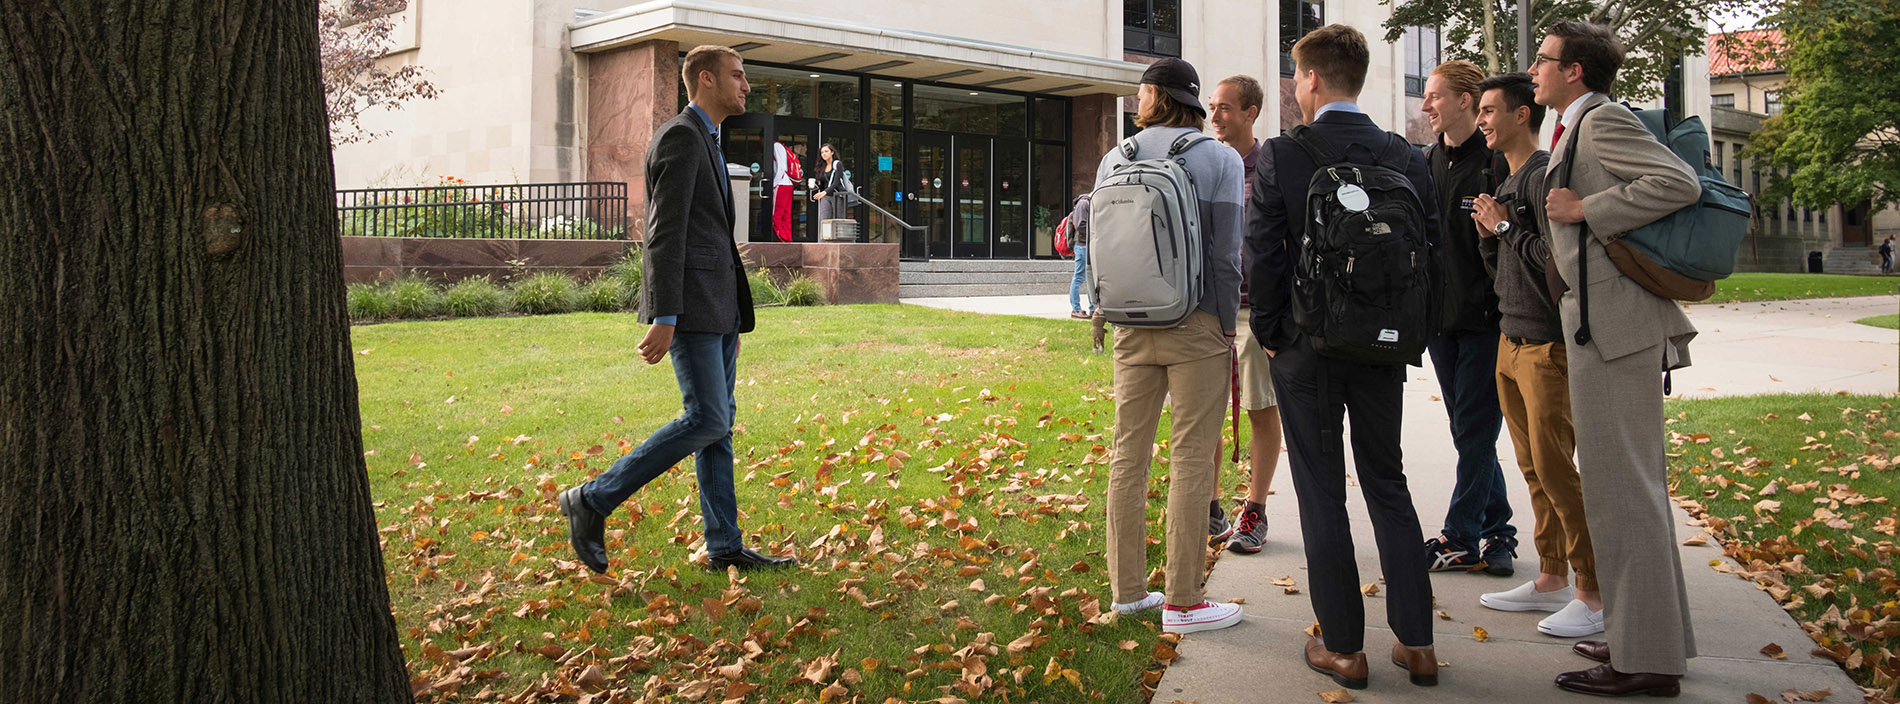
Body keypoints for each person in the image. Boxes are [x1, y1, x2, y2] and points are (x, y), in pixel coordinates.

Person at [557, 45, 796, 575]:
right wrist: (665, 315)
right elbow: (663, 234)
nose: (747, 86)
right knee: (707, 418)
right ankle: (592, 499)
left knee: (719, 426)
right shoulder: (682, 138)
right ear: (705, 79)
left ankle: (725, 545)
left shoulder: (707, 138)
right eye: (737, 76)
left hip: (719, 309)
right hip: (689, 311)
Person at [1249, 24, 1438, 689]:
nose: (1296, 88)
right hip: (1384, 346)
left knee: (1322, 491)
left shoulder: (1284, 153)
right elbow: (1430, 250)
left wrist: (1272, 332)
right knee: (1388, 483)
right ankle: (1417, 643)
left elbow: (1261, 254)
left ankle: (1344, 647)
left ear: (1314, 80)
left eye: (1297, 76)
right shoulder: (1405, 155)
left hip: (1309, 346)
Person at [1532, 20, 1701, 696]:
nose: (1534, 69)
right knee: (1627, 493)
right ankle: (1647, 637)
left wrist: (1585, 207)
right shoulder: (1579, 125)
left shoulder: (1601, 121)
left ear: (1575, 70)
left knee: (1623, 497)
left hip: (1617, 332)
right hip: (1606, 328)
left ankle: (1646, 663)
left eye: (1544, 59)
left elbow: (1677, 182)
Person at [1100, 57, 1247, 635]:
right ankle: (1183, 602)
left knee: (1127, 455)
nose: (1136, 101)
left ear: (1157, 96)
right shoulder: (1220, 159)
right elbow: (1225, 253)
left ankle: (1128, 593)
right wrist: (1226, 324)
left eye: (1141, 92)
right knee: (1191, 456)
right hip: (1197, 322)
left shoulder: (1118, 158)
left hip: (1131, 324)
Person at [1468, 72, 1602, 638]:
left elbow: (1555, 259)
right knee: (1530, 466)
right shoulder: (1509, 178)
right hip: (1510, 339)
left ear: (1523, 114)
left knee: (1556, 469)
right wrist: (1488, 232)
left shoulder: (1544, 174)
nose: (1482, 121)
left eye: (1491, 111)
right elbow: (1505, 271)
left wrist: (1501, 227)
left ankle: (1593, 591)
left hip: (1546, 346)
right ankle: (1550, 577)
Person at [1419, 59, 1518, 576]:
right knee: (1468, 431)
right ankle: (1498, 532)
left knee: (1476, 430)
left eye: (1434, 96)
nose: (1426, 105)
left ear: (1464, 100)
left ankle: (1459, 536)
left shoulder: (1496, 163)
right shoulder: (1428, 162)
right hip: (1440, 323)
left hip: (1488, 322)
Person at [1207, 73, 1282, 553]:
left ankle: (1255, 509)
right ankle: (1210, 506)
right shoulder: (1206, 165)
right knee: (1204, 412)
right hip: (1208, 310)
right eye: (1212, 107)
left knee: (1260, 408)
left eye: (1225, 108)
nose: (1214, 116)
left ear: (1251, 112)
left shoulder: (1271, 168)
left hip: (1256, 312)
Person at [1067, 194, 1094, 319]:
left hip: (1087, 245)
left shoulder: (1087, 203)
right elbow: (1080, 225)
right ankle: (1076, 309)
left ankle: (1093, 309)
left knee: (1091, 278)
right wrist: (1096, 230)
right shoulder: (1084, 203)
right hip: (1082, 246)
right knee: (1079, 277)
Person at [813, 143, 853, 222]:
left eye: (826, 151)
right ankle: (823, 235)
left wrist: (823, 193)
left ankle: (840, 235)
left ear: (832, 152)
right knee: (823, 220)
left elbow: (836, 182)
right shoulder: (822, 166)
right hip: (826, 196)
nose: (824, 154)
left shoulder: (837, 164)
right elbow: (822, 184)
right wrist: (814, 185)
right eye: (822, 152)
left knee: (839, 220)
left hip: (838, 195)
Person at [771, 140, 797, 241]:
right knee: (786, 214)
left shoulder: (775, 146)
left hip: (781, 184)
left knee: (776, 215)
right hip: (788, 184)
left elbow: (781, 167)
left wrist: (774, 183)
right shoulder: (782, 147)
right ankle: (787, 239)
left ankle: (781, 239)